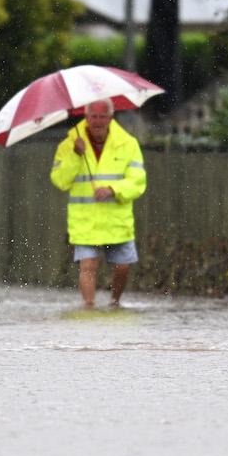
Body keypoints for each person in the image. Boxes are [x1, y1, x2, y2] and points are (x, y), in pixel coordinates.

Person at [50, 99, 147, 309]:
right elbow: (60, 180)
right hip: (85, 220)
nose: (98, 121)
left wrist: (113, 190)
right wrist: (76, 156)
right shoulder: (69, 145)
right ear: (86, 117)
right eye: (93, 116)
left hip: (117, 221)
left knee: (123, 267)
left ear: (111, 118)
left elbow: (138, 181)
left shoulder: (128, 144)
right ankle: (89, 307)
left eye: (103, 116)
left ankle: (115, 302)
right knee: (88, 265)